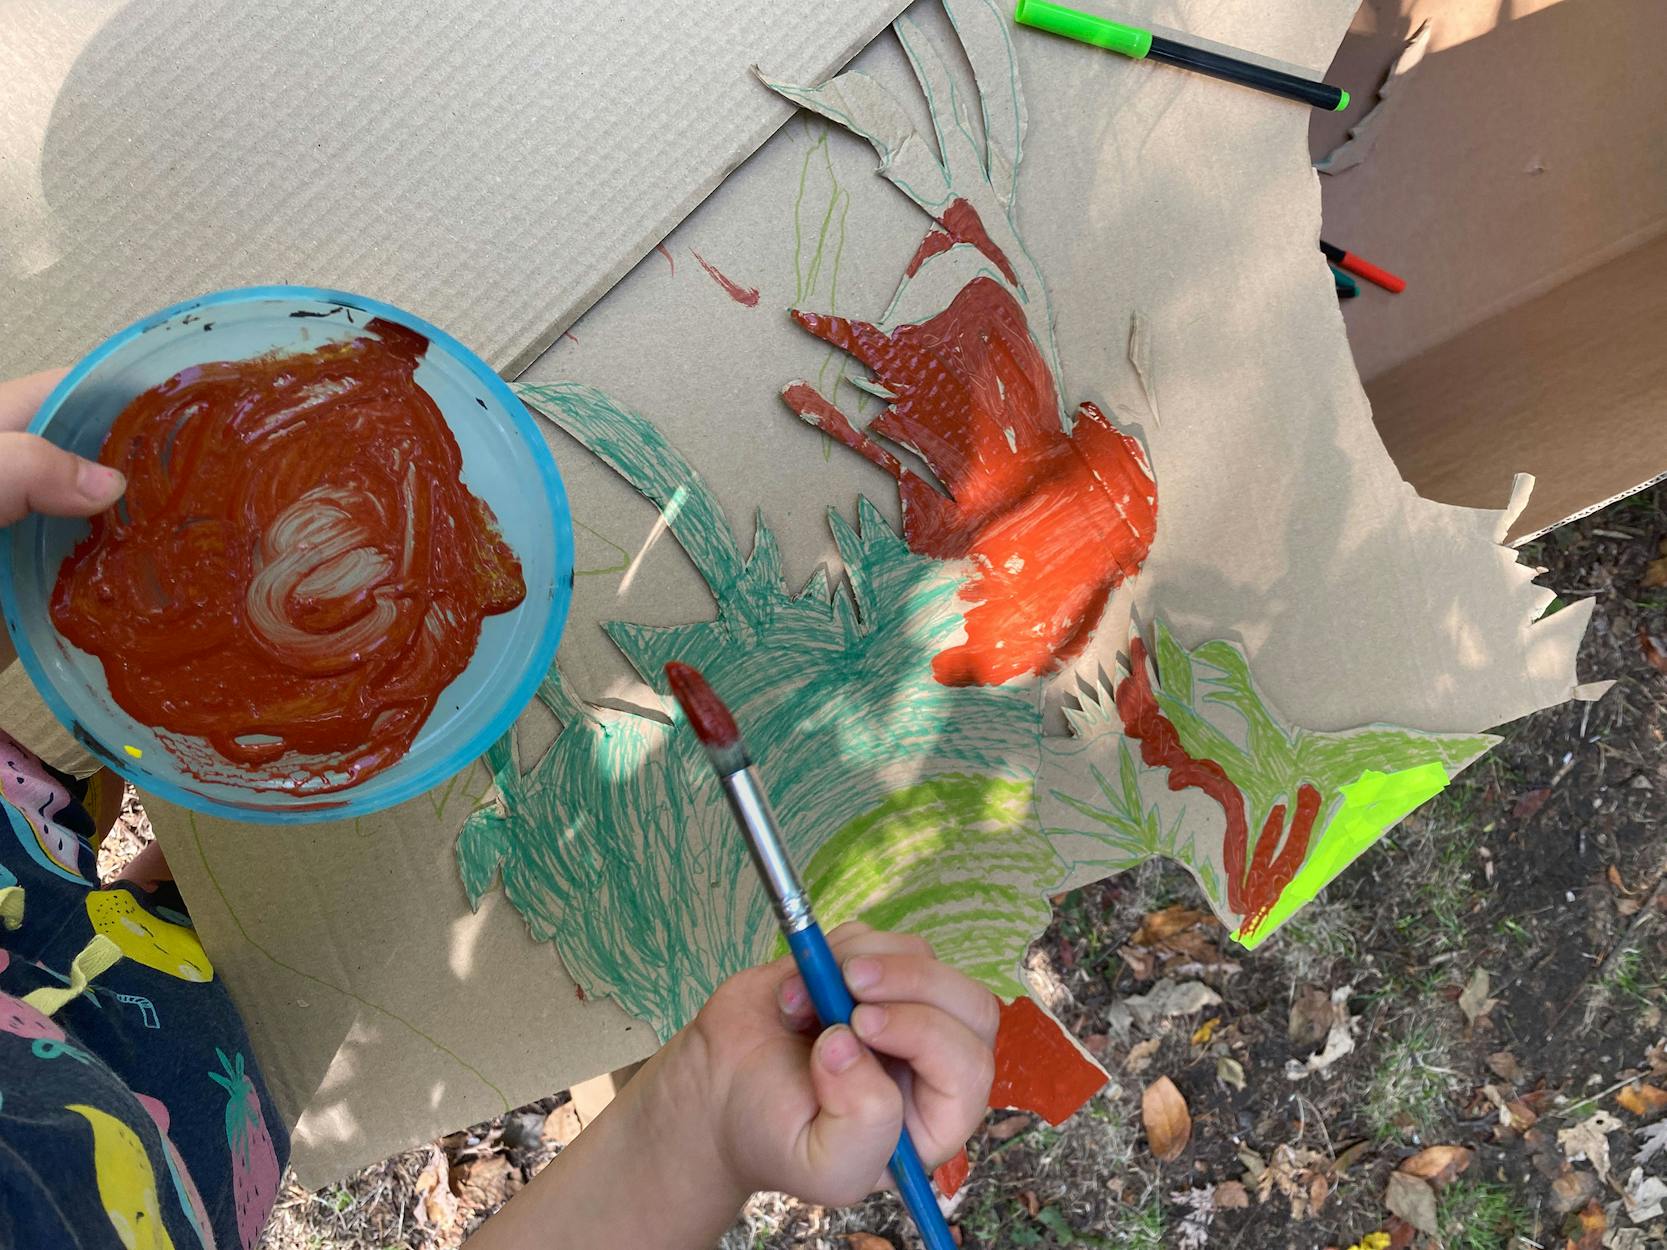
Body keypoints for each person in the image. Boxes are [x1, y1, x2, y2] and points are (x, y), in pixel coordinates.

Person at [0, 370, 997, 1249]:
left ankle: (155, 900)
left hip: (38, 929)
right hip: (161, 1109)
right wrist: (695, 1121)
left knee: (125, 881)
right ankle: (160, 912)